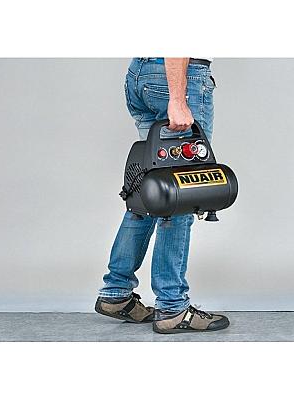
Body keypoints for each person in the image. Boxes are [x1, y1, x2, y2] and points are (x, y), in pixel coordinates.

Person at [95, 57, 229, 334]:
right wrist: (178, 99)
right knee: (180, 195)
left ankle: (116, 292)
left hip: (142, 73)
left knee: (152, 193)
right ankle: (172, 308)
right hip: (178, 76)